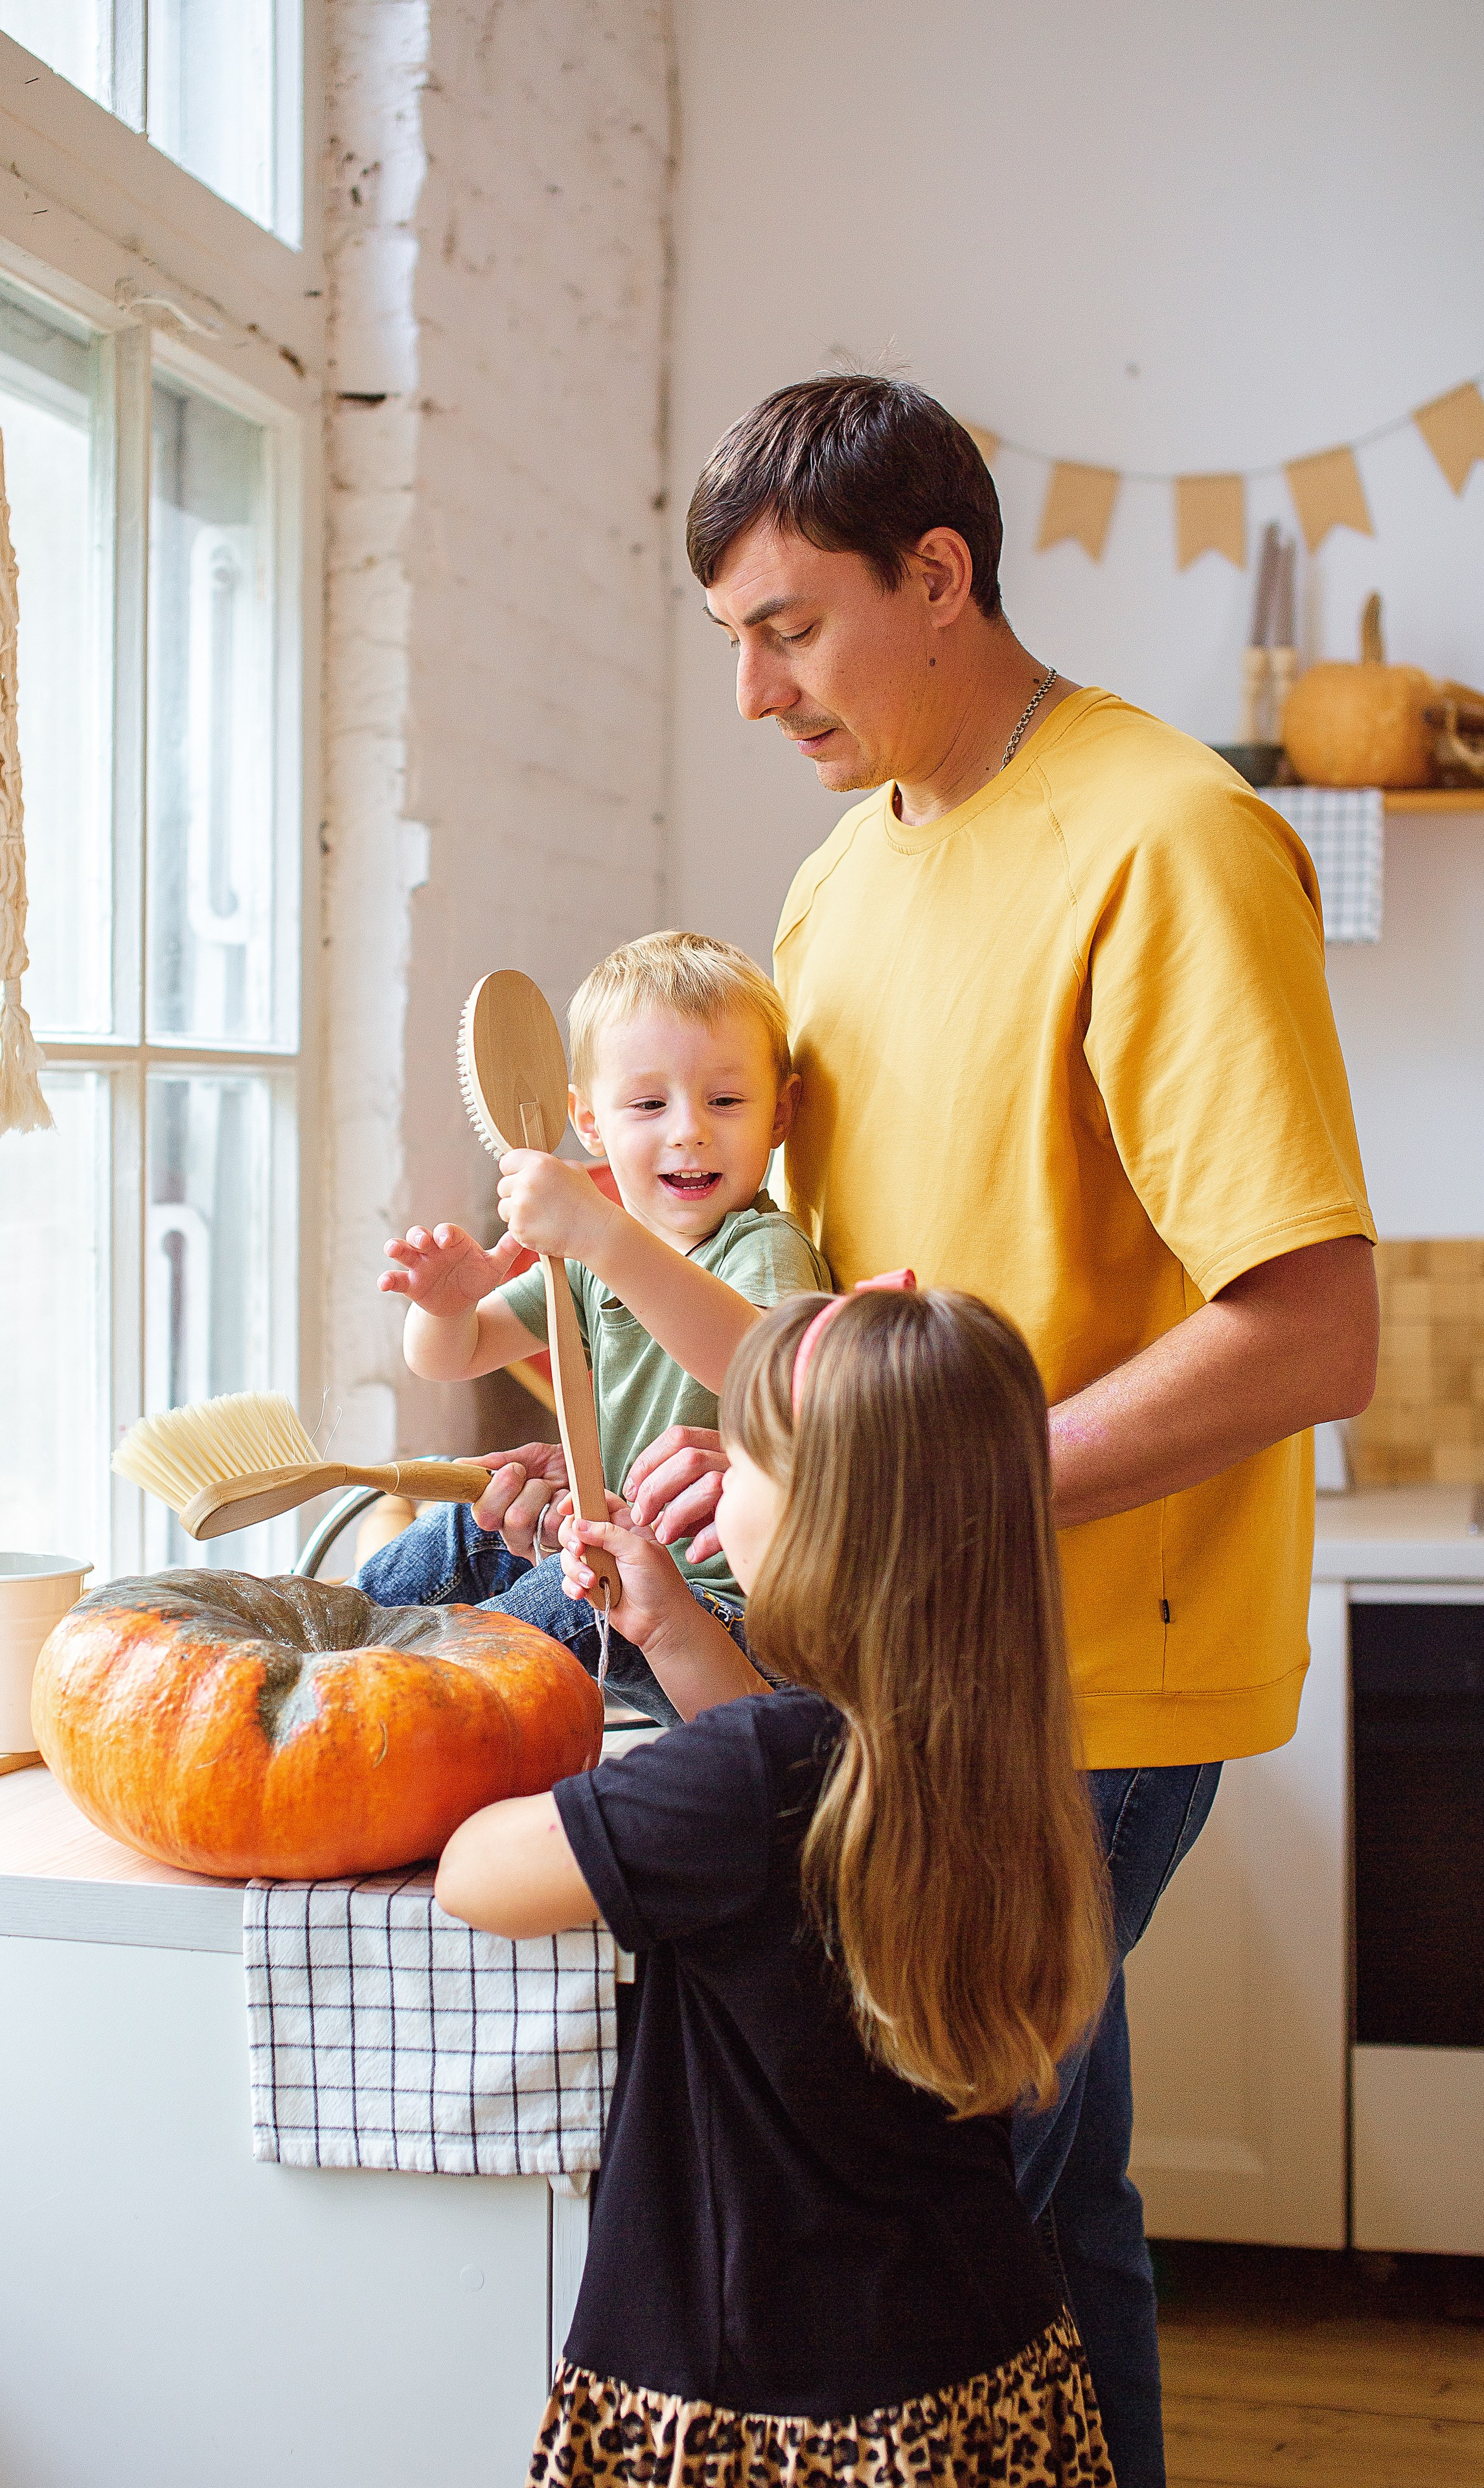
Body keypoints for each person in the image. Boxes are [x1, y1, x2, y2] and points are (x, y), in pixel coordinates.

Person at [573, 374, 1375, 2485]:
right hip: (889, 1661)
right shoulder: (840, 885)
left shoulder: (1170, 841)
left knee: (949, 2226)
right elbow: (850, 1297)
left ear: (940, 577)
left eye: (790, 626)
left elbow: (1309, 1333)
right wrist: (749, 1431)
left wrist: (901, 1485)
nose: (749, 692)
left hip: (1080, 1675)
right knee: (1037, 2196)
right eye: (731, 636)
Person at [437, 1287, 1117, 2488]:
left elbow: (475, 1874)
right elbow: (797, 1837)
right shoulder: (978, 1749)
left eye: (740, 1451)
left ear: (818, 1522)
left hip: (758, 2402)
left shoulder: (758, 1779)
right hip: (979, 2364)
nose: (709, 1467)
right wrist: (681, 1636)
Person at [360, 930, 828, 1720]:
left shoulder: (763, 1249)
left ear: (779, 1114)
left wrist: (602, 1235)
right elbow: (455, 1355)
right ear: (590, 1123)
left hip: (725, 1616)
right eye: (649, 1105)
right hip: (615, 1566)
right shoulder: (584, 1259)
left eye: (725, 1100)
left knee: (520, 1628)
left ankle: (389, 1716)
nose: (688, 1130)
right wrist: (443, 1307)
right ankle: (320, 1644)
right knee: (460, 1532)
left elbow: (768, 1379)